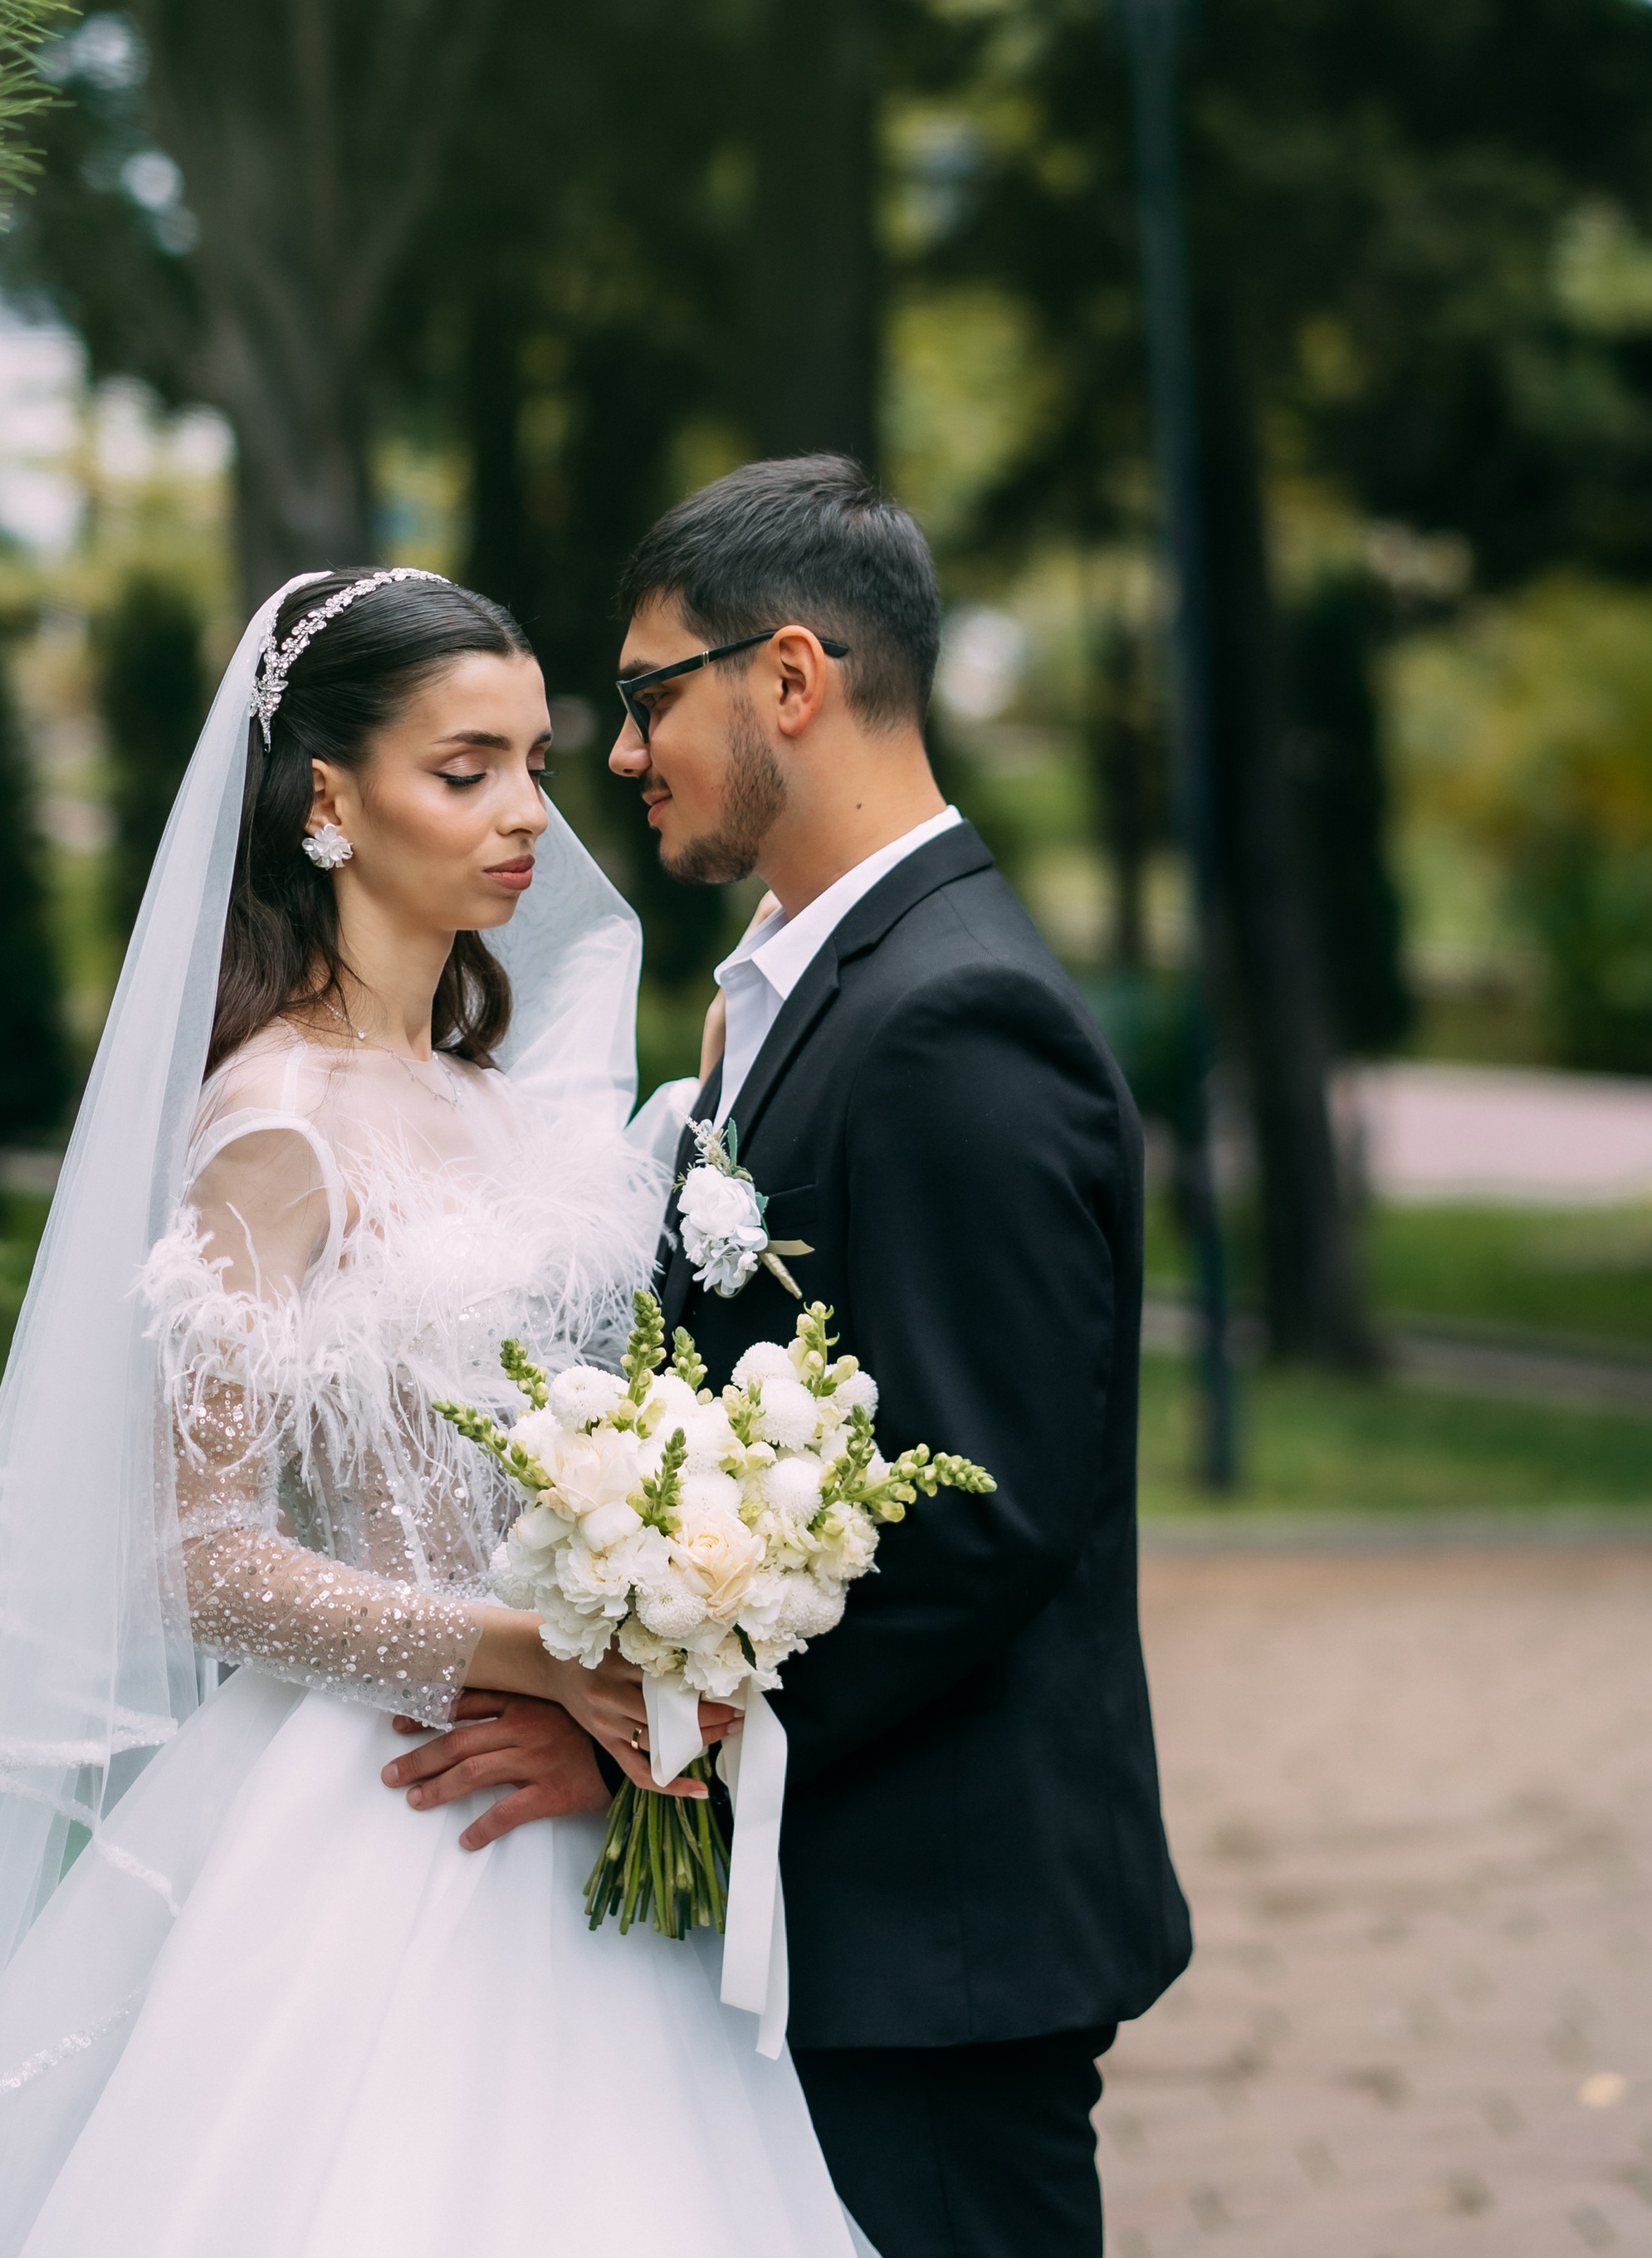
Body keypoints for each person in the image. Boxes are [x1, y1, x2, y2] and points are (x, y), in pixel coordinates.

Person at [0, 570, 870, 2258]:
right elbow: (200, 1564)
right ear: (329, 800)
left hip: (557, 1797)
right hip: (378, 1802)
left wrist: (646, 1618)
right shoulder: (270, 1130)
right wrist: (530, 1652)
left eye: (534, 764)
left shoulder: (507, 1112)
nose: (520, 818)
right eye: (464, 768)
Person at [605, 454, 1190, 2258]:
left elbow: (979, 1510)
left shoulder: (954, 1015)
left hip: (939, 1934)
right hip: (848, 1912)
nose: (621, 755)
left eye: (646, 698)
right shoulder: (809, 981)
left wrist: (665, 1741)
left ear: (787, 681)